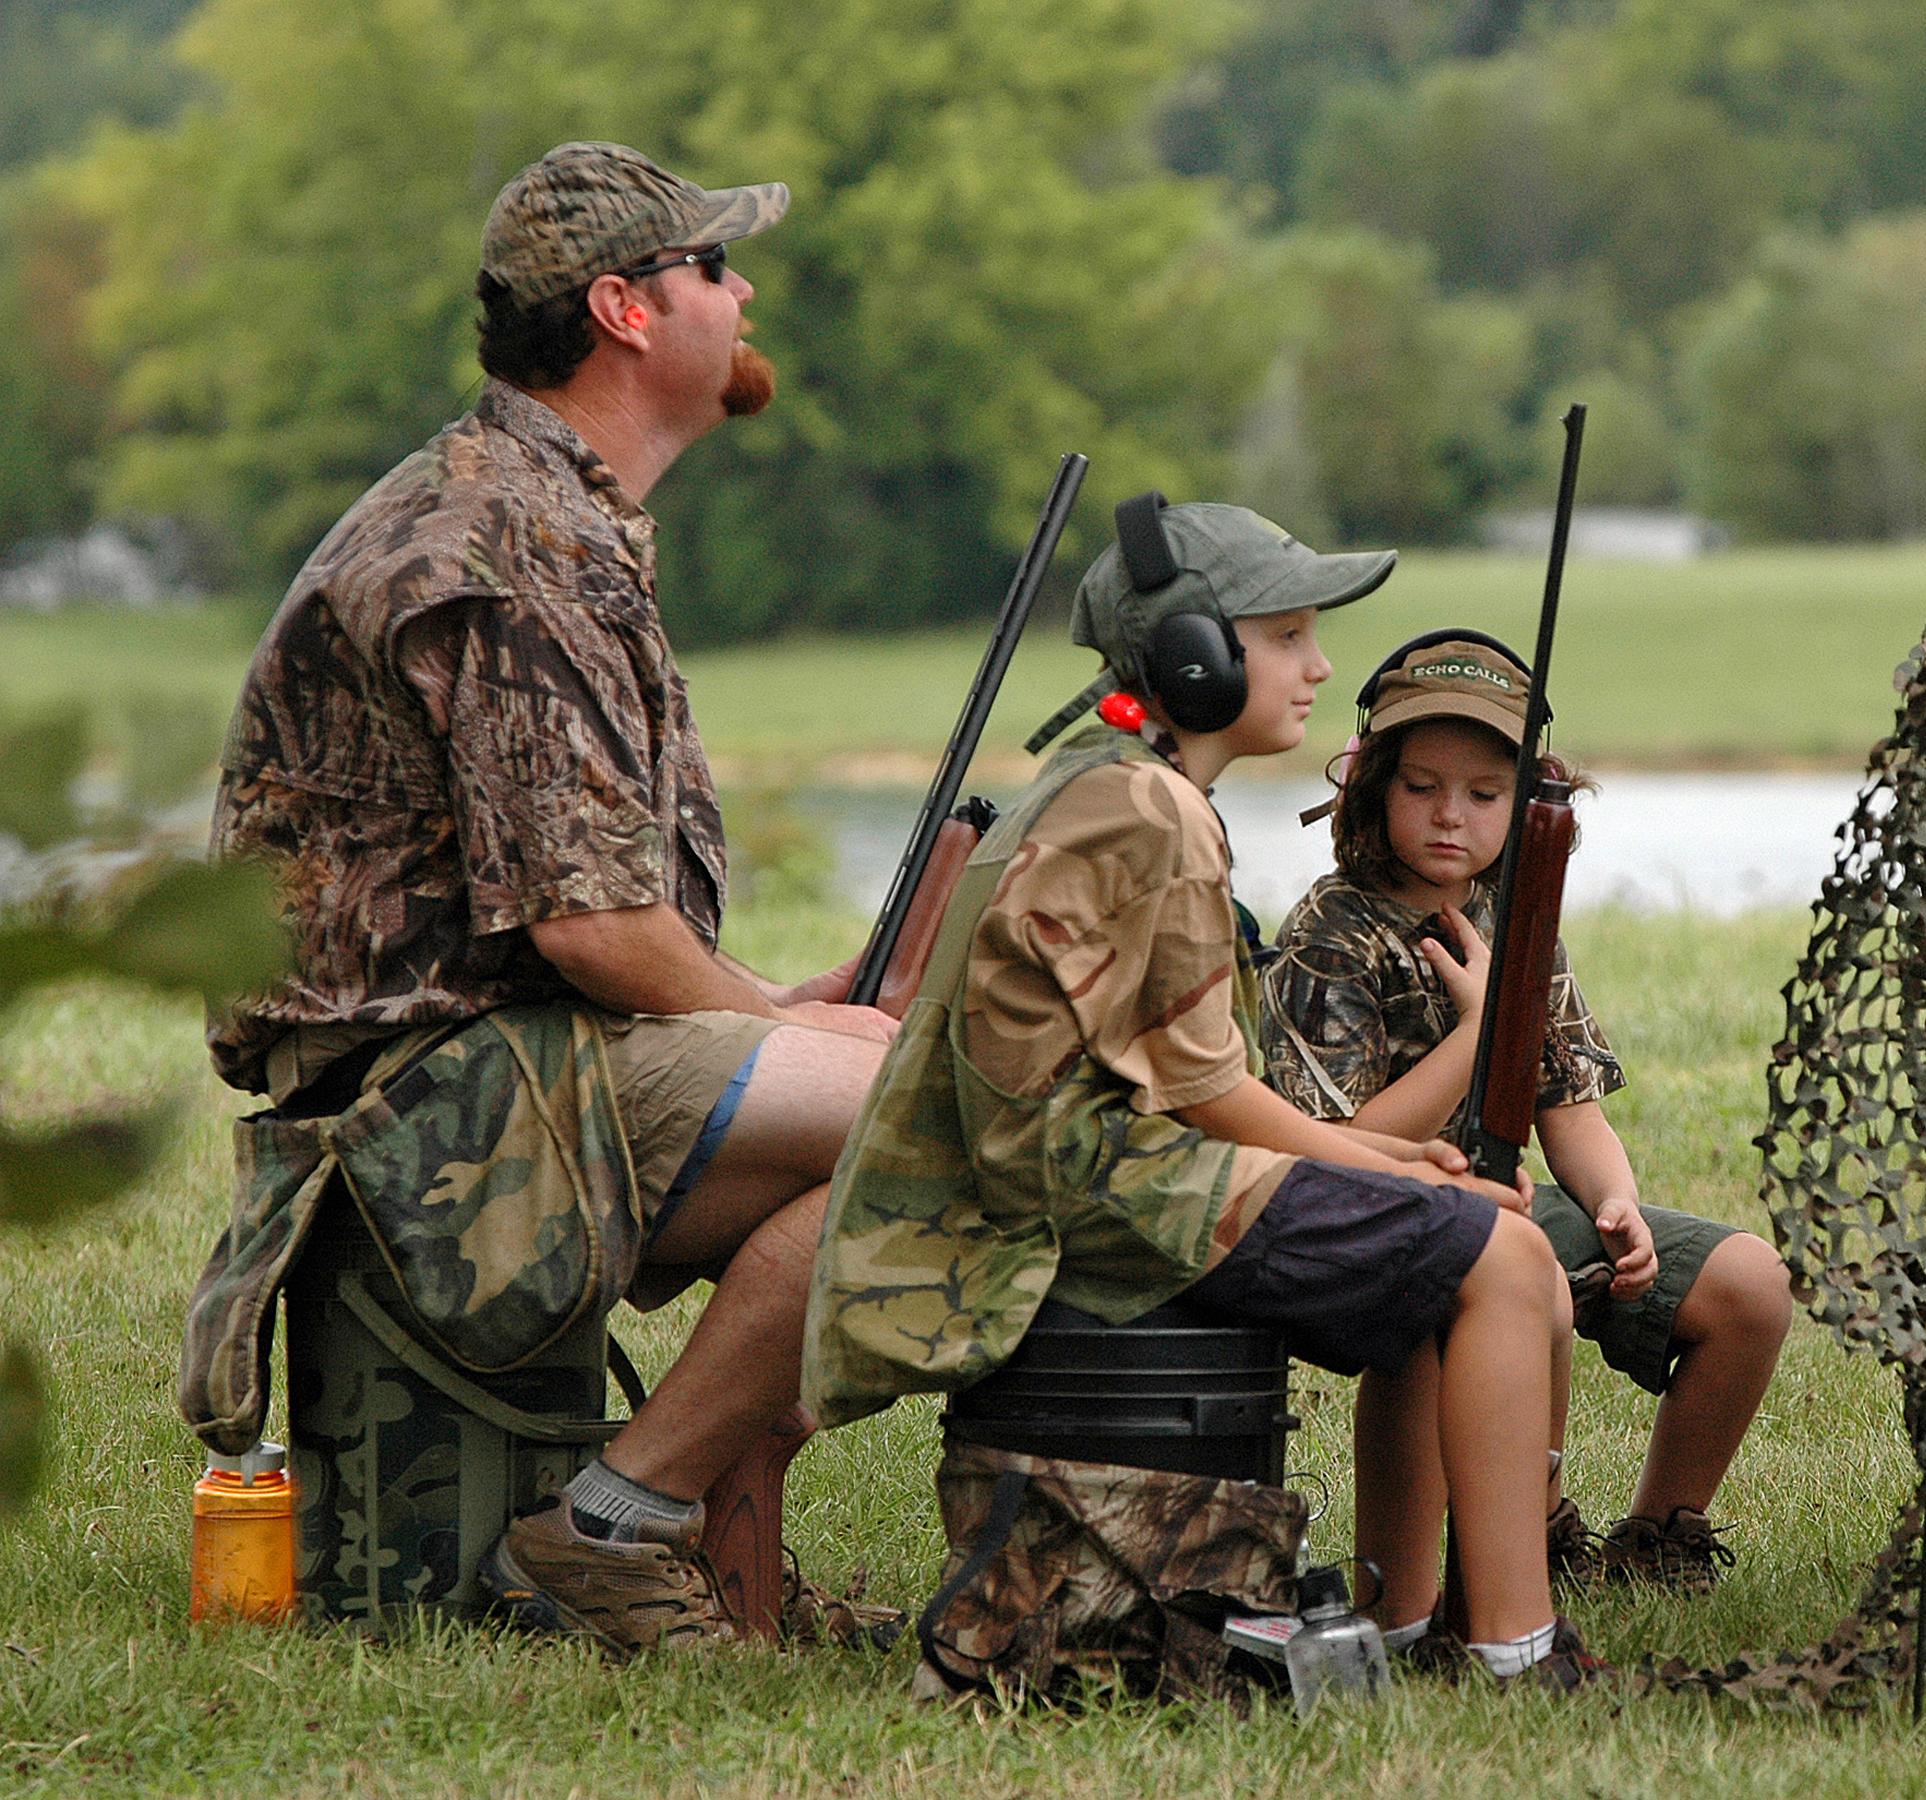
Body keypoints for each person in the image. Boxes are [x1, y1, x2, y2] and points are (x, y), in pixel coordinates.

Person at [183, 142, 896, 1656]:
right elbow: (588, 931)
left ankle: (719, 1572)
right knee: (946, 1115)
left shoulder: (540, 509)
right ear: (628, 311)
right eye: (715, 267)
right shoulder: (502, 546)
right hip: (436, 1103)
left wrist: (784, 1012)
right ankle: (610, 1531)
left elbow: (581, 922)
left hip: (507, 1064)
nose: (744, 288)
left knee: (891, 1135)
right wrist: (781, 1026)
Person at [804, 496, 1607, 1689]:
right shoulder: (1149, 810)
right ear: (1198, 656)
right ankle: (1513, 1654)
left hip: (1094, 1169)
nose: (1317, 666)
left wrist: (1396, 1165)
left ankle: (1423, 1618)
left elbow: (1194, 1088)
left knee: (1475, 1233)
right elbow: (1206, 1100)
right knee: (1496, 1258)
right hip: (1092, 1194)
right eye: (1285, 635)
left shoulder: (1111, 781)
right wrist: (1377, 1164)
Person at [1259, 633, 1793, 1590]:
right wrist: (1479, 1030)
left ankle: (1656, 1543)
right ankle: (1530, 1538)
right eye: (1421, 786)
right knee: (1531, 1278)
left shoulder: (1521, 913)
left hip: (1512, 1197)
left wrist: (1617, 1204)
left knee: (1751, 1286)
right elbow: (1333, 1148)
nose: (1450, 817)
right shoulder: (1332, 929)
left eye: (1484, 794)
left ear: (1529, 801)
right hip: (1379, 1206)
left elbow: (1571, 1108)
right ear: (1370, 785)